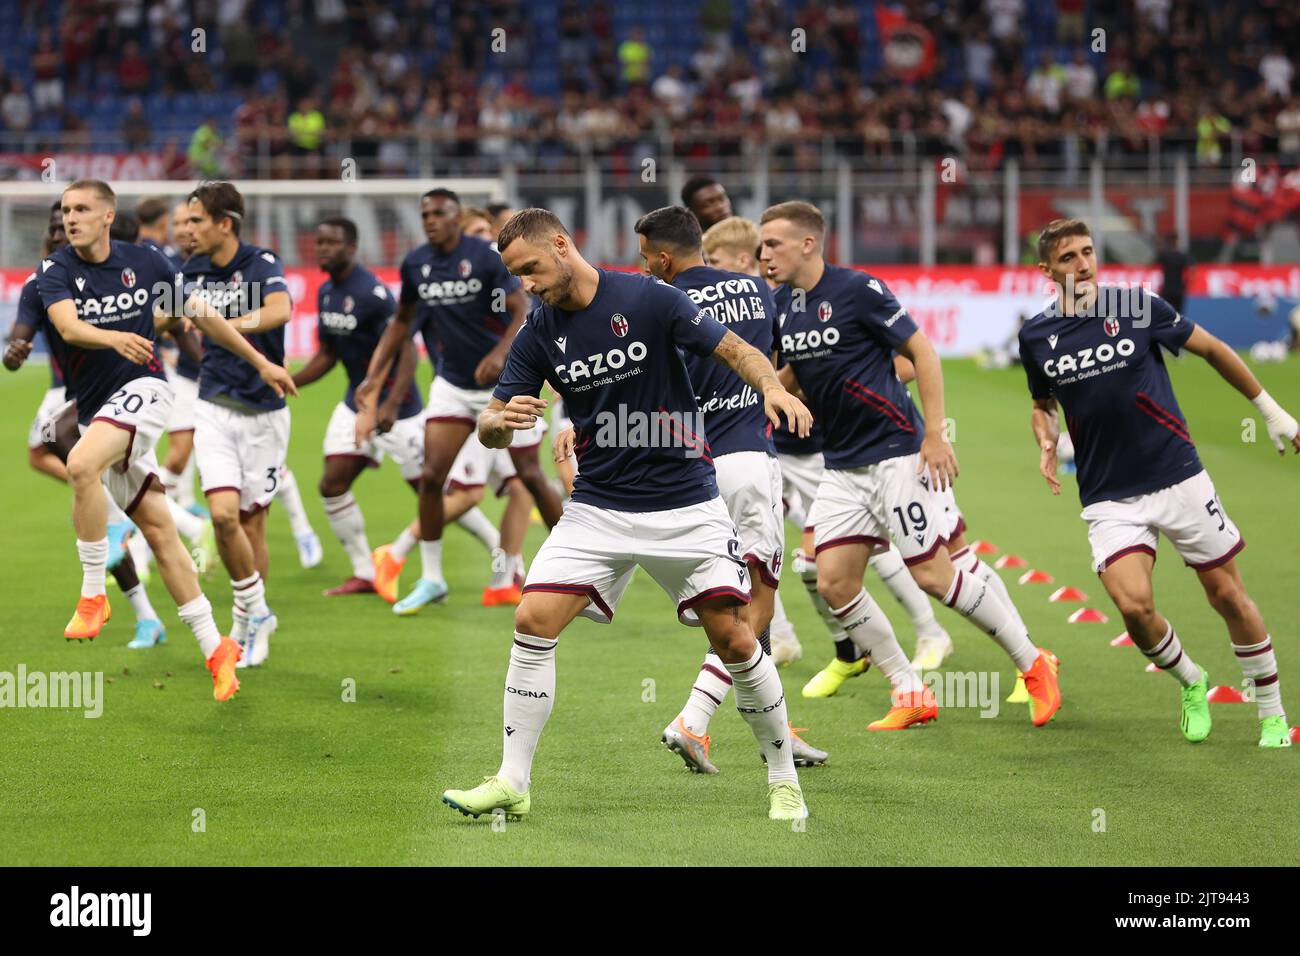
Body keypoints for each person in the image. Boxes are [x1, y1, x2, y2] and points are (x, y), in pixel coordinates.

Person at [440, 208, 814, 822]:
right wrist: (494, 425)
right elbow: (491, 418)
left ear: (561, 244)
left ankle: (781, 778)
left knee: (736, 638)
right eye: (516, 276)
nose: (526, 284)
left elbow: (736, 349)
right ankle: (512, 780)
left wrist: (772, 387)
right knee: (533, 619)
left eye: (530, 268)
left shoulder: (647, 298)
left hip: (687, 503)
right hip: (597, 508)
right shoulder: (538, 332)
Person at [761, 201, 1061, 729]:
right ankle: (909, 690)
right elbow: (797, 375)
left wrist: (935, 434)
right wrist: (763, 396)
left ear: (808, 244)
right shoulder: (784, 306)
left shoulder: (858, 290)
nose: (764, 255)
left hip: (897, 454)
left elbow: (922, 352)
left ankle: (1033, 663)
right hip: (842, 466)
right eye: (762, 246)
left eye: (774, 244)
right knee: (831, 581)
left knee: (933, 575)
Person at [1020, 218, 1298, 748]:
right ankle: (1192, 680)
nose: (1082, 265)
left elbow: (1213, 349)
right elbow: (1041, 404)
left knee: (1228, 596)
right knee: (1134, 607)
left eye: (1087, 252)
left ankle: (1272, 713)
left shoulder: (1136, 307)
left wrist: (1270, 410)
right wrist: (1046, 440)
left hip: (1178, 477)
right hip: (1108, 495)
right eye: (1068, 258)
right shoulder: (1036, 335)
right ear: (1047, 271)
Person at [41, 178, 294, 699]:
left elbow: (203, 315)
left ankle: (93, 594)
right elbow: (67, 329)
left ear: (108, 216)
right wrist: (119, 334)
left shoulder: (150, 262)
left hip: (149, 391)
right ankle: (216, 649)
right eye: (66, 209)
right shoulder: (56, 270)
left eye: (83, 208)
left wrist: (263, 360)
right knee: (159, 531)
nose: (71, 217)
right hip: (97, 409)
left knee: (81, 465)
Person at [634, 205, 828, 773]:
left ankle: (778, 733)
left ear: (665, 257)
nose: (644, 267)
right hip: (747, 461)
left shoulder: (660, 305)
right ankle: (693, 721)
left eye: (647, 257)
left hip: (690, 474)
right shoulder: (755, 291)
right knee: (756, 608)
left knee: (732, 606)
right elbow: (768, 363)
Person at [355, 188, 563, 614]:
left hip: (505, 383)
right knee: (432, 477)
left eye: (439, 213)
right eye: (425, 213)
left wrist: (500, 354)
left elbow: (521, 311)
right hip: (451, 384)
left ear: (456, 216)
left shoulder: (486, 256)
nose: (431, 219)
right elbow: (401, 324)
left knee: (530, 476)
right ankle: (432, 577)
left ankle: (572, 566)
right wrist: (374, 380)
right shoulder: (417, 263)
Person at [4, 205, 167, 650]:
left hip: (114, 395)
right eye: (56, 226)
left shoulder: (107, 271)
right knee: (77, 477)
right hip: (71, 394)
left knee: (70, 455)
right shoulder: (44, 282)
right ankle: (148, 615)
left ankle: (131, 526)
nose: (63, 231)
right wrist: (14, 351)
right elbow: (19, 335)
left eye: (70, 223)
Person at [182, 181, 298, 668]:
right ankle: (253, 614)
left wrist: (226, 326)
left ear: (224, 224)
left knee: (253, 522)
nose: (187, 230)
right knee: (224, 516)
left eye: (195, 221)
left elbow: (281, 309)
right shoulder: (188, 270)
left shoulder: (261, 263)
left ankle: (249, 624)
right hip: (213, 406)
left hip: (265, 414)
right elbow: (180, 317)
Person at [293, 217, 423, 596]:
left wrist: (393, 403)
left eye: (331, 243)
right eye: (318, 242)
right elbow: (327, 355)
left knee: (437, 494)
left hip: (400, 411)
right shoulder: (326, 292)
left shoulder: (372, 293)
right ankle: (365, 571)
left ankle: (504, 564)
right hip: (355, 404)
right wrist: (288, 382)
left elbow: (407, 351)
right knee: (332, 484)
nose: (322, 249)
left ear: (352, 247)